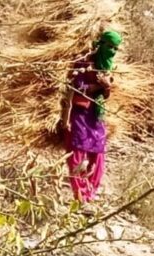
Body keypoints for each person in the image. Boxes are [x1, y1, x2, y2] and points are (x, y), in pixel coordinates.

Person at [60, 30, 122, 203]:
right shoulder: (84, 61)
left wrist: (106, 86)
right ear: (101, 44)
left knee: (98, 153)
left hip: (96, 115)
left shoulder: (107, 66)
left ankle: (90, 194)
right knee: (77, 153)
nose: (112, 51)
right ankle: (79, 195)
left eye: (115, 48)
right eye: (109, 46)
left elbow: (105, 95)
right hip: (79, 113)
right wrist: (98, 85)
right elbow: (77, 87)